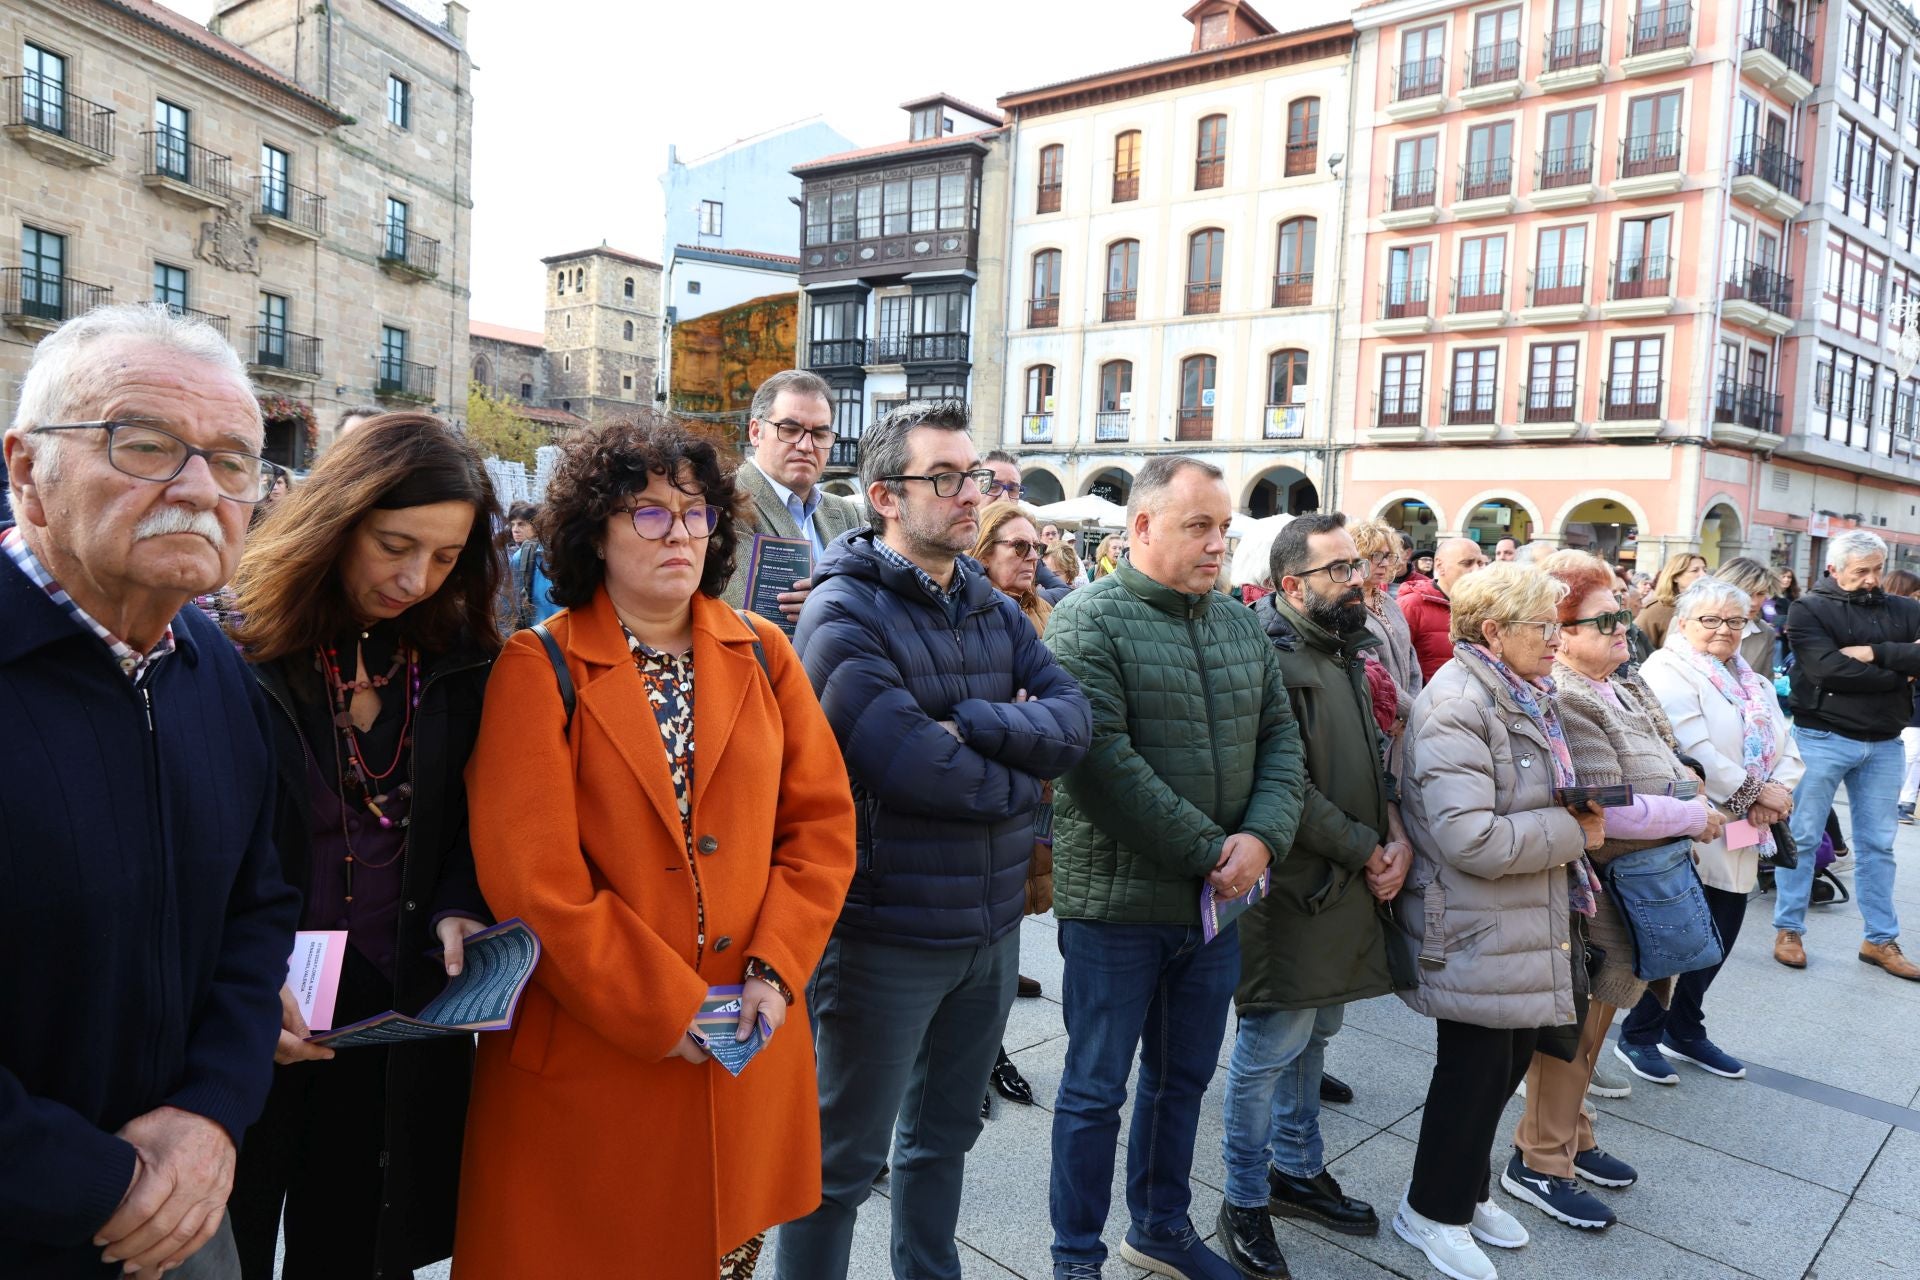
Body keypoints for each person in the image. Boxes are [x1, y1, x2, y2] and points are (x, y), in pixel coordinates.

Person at [453, 416, 858, 1279]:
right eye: (646, 513)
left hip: (748, 1034)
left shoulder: (765, 652)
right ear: (594, 533)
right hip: (601, 1059)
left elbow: (820, 831)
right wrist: (661, 1006)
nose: (678, 532)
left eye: (695, 511)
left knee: (726, 1257)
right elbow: (535, 882)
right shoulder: (539, 664)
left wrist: (774, 970)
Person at [0, 303, 299, 1277]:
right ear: (26, 471)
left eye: (233, 460)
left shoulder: (214, 665)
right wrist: (100, 1181)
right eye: (146, 444)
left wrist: (212, 1110)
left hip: (183, 1210)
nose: (199, 488)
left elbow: (256, 912)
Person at [779, 402, 1091, 1280]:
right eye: (945, 479)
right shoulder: (843, 613)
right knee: (838, 1164)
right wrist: (1021, 774)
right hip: (884, 931)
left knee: (945, 1138)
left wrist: (973, 723)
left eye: (979, 479)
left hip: (988, 927)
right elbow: (914, 768)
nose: (972, 496)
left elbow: (1073, 722)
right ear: (885, 496)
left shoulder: (990, 605)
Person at [225, 415, 502, 1279]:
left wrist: (461, 902)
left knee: (356, 1245)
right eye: (394, 544)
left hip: (392, 1005)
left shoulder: (462, 657)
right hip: (254, 999)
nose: (416, 578)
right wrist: (235, 971)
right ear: (338, 517)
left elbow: (474, 810)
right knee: (222, 1236)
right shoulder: (238, 644)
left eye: (447, 557)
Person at [1044, 455, 1305, 1280]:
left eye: (1224, 528)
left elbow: (1281, 744)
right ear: (1142, 527)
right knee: (1094, 1092)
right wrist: (1213, 853)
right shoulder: (1086, 620)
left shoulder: (1235, 620)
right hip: (1118, 907)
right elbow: (1102, 766)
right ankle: (1074, 1257)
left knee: (1182, 1079)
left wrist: (1261, 839)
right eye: (1200, 525)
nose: (1218, 544)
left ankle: (1159, 1226)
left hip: (1215, 907)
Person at [1499, 552, 1720, 1233]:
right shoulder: (1567, 693)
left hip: (1641, 886)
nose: (1624, 628)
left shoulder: (1623, 685)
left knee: (1599, 1029)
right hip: (1600, 891)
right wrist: (1688, 809)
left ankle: (1574, 1137)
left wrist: (1680, 790)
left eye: (1623, 613)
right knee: (1573, 1032)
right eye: (1605, 620)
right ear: (1561, 632)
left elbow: (1679, 766)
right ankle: (1539, 1159)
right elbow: (1609, 814)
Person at [1390, 563, 1599, 1280]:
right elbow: (1468, 838)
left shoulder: (1519, 690)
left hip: (1518, 916)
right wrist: (1577, 831)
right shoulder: (1458, 703)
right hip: (1477, 920)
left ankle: (1465, 1194)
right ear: (1493, 632)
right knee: (1472, 1072)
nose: (1555, 639)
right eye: (1542, 627)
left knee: (1505, 1062)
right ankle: (1430, 1212)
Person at [1216, 515, 1407, 1279]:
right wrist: (1369, 849)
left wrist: (1391, 836)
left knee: (1317, 1031)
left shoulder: (1343, 649)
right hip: (1293, 886)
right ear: (1293, 585)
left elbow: (1370, 757)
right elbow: (1284, 784)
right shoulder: (1273, 655)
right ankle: (1243, 1198)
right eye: (1338, 569)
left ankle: (1297, 1168)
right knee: (1267, 1049)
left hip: (1347, 880)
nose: (1355, 579)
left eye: (1357, 564)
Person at [1630, 578, 1803, 1079]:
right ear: (1683, 623)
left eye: (1734, 620)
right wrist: (1756, 793)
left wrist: (1777, 794)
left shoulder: (1753, 680)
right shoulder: (1668, 668)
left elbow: (1785, 745)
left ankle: (1685, 1028)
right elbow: (1693, 749)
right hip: (1699, 822)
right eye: (1710, 619)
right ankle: (1642, 1033)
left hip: (1748, 825)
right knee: (1680, 934)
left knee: (1723, 929)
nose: (1724, 629)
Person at [1774, 530, 1920, 978]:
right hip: (1821, 737)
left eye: (1877, 569)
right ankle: (1788, 929)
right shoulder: (1808, 608)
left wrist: (1874, 652)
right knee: (1801, 836)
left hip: (1885, 741)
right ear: (1833, 569)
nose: (1872, 579)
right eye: (1861, 571)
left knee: (1879, 845)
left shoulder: (1907, 609)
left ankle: (1880, 940)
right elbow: (1824, 669)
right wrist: (1900, 671)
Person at [967, 500, 1058, 1110]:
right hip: (984, 796)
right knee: (980, 920)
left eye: (1037, 550)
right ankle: (973, 1057)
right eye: (1019, 548)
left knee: (1014, 917)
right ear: (984, 551)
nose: (1032, 559)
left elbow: (1061, 704)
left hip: (1038, 793)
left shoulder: (1046, 613)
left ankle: (990, 1046)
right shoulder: (970, 618)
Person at [722, 370, 865, 623]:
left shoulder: (849, 516)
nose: (806, 446)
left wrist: (835, 599)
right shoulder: (719, 505)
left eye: (820, 434)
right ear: (755, 432)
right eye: (790, 429)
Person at [1352, 519, 1423, 765]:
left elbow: (1410, 656)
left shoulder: (1389, 601)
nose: (1382, 563)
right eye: (1373, 556)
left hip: (1401, 720)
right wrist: (1405, 710)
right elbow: (1371, 668)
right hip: (1376, 718)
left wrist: (1409, 710)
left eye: (1387, 555)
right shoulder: (1349, 605)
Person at [1399, 536, 1490, 681]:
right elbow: (1396, 666)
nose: (1477, 570)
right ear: (1440, 566)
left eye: (1480, 563)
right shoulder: (1411, 605)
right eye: (1467, 563)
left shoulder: (1487, 607)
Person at [984, 450, 1070, 602]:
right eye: (993, 486)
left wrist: (1025, 601)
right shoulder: (953, 545)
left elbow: (1064, 591)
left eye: (1012, 489)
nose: (1004, 498)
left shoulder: (1028, 551)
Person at [1888, 570, 1920, 824]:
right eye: (1916, 595)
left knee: (1915, 751)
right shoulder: (1888, 621)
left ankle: (1906, 801)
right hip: (1901, 695)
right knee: (1911, 749)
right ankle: (1900, 800)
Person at [1713, 556, 1781, 674]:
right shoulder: (1692, 622)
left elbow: (1764, 685)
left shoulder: (1765, 633)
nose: (1754, 602)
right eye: (1747, 593)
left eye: (1760, 594)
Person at [1634, 551, 1708, 650]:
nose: (1703, 575)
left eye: (1705, 570)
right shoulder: (1657, 609)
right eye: (1695, 570)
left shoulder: (1709, 607)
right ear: (1676, 576)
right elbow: (1638, 648)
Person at [1767, 566, 1801, 669]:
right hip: (1769, 639)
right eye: (1783, 576)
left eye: (1789, 577)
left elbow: (1794, 619)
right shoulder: (1766, 598)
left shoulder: (1792, 599)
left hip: (1784, 641)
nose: (1786, 580)